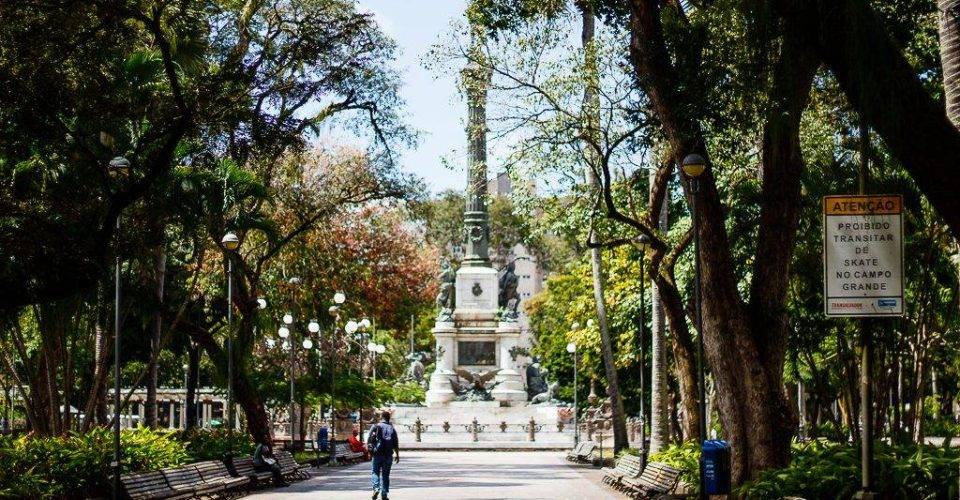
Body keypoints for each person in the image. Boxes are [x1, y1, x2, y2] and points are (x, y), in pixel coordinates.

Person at [367, 410, 399, 500]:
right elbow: (395, 442)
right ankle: (384, 494)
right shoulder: (392, 428)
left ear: (381, 417)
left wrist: (370, 452)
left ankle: (376, 488)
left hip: (377, 454)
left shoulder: (376, 426)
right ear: (389, 418)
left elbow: (369, 440)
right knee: (385, 475)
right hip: (388, 455)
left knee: (375, 472)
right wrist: (397, 454)